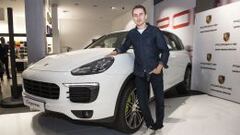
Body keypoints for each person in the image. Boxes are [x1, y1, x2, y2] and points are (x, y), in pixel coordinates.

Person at [107, 5, 169, 135]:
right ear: (133, 18)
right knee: (142, 101)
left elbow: (165, 50)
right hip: (140, 72)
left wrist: (159, 67)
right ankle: (150, 124)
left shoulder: (155, 31)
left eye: (141, 14)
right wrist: (114, 52)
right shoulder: (132, 34)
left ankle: (159, 123)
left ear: (145, 16)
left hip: (155, 71)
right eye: (135, 15)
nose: (138, 17)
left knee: (159, 99)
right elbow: (124, 46)